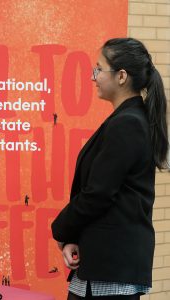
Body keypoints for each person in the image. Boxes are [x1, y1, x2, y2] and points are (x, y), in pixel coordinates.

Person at [51, 37, 168, 300]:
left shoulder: (128, 123)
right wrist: (73, 237)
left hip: (112, 271)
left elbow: (99, 193)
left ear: (122, 76)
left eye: (99, 69)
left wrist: (60, 229)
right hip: (106, 266)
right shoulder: (129, 119)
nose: (94, 77)